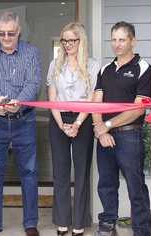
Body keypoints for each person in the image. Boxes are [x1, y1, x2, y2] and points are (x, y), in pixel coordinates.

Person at [0, 11, 42, 236]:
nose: (6, 37)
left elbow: (34, 83)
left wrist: (19, 103)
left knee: (29, 173)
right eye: (1, 33)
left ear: (19, 31)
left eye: (10, 33)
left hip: (24, 121)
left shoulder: (31, 53)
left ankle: (30, 223)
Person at [92, 21, 151, 236]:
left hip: (130, 137)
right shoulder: (105, 69)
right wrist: (100, 130)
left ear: (132, 41)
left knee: (136, 187)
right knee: (106, 184)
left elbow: (137, 110)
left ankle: (142, 230)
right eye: (114, 39)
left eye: (122, 39)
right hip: (104, 137)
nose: (117, 44)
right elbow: (95, 102)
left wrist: (106, 126)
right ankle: (108, 225)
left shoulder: (143, 68)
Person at [47, 22, 99, 236]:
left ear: (81, 41)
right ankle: (62, 221)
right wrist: (61, 124)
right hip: (58, 119)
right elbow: (52, 97)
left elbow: (92, 97)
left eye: (72, 40)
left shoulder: (93, 65)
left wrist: (77, 123)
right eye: (64, 40)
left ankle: (78, 222)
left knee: (81, 173)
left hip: (83, 120)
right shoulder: (54, 64)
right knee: (59, 172)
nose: (68, 44)